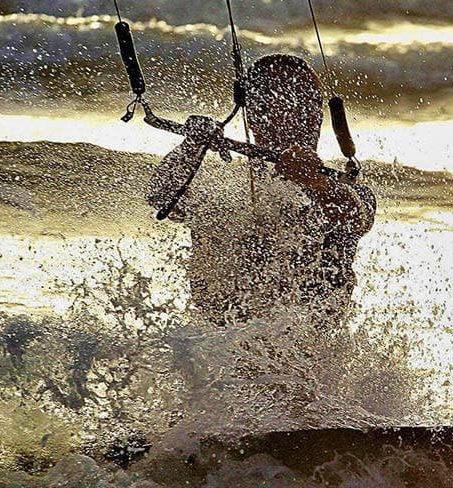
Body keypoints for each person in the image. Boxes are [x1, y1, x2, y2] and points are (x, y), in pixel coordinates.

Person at [146, 54, 375, 328]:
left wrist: (313, 182)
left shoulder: (344, 187)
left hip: (308, 347)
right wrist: (191, 147)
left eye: (309, 104)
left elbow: (355, 217)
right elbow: (161, 198)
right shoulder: (225, 187)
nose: (301, 115)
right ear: (253, 115)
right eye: (282, 100)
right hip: (224, 343)